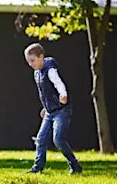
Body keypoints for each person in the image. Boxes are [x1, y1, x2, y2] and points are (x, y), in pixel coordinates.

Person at [23, 43, 82, 174]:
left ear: (41, 57)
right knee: (41, 139)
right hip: (50, 111)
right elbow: (45, 93)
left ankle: (75, 165)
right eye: (28, 61)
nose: (30, 64)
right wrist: (45, 107)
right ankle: (37, 168)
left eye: (32, 60)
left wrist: (63, 95)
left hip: (61, 110)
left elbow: (58, 83)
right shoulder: (37, 73)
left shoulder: (50, 70)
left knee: (58, 139)